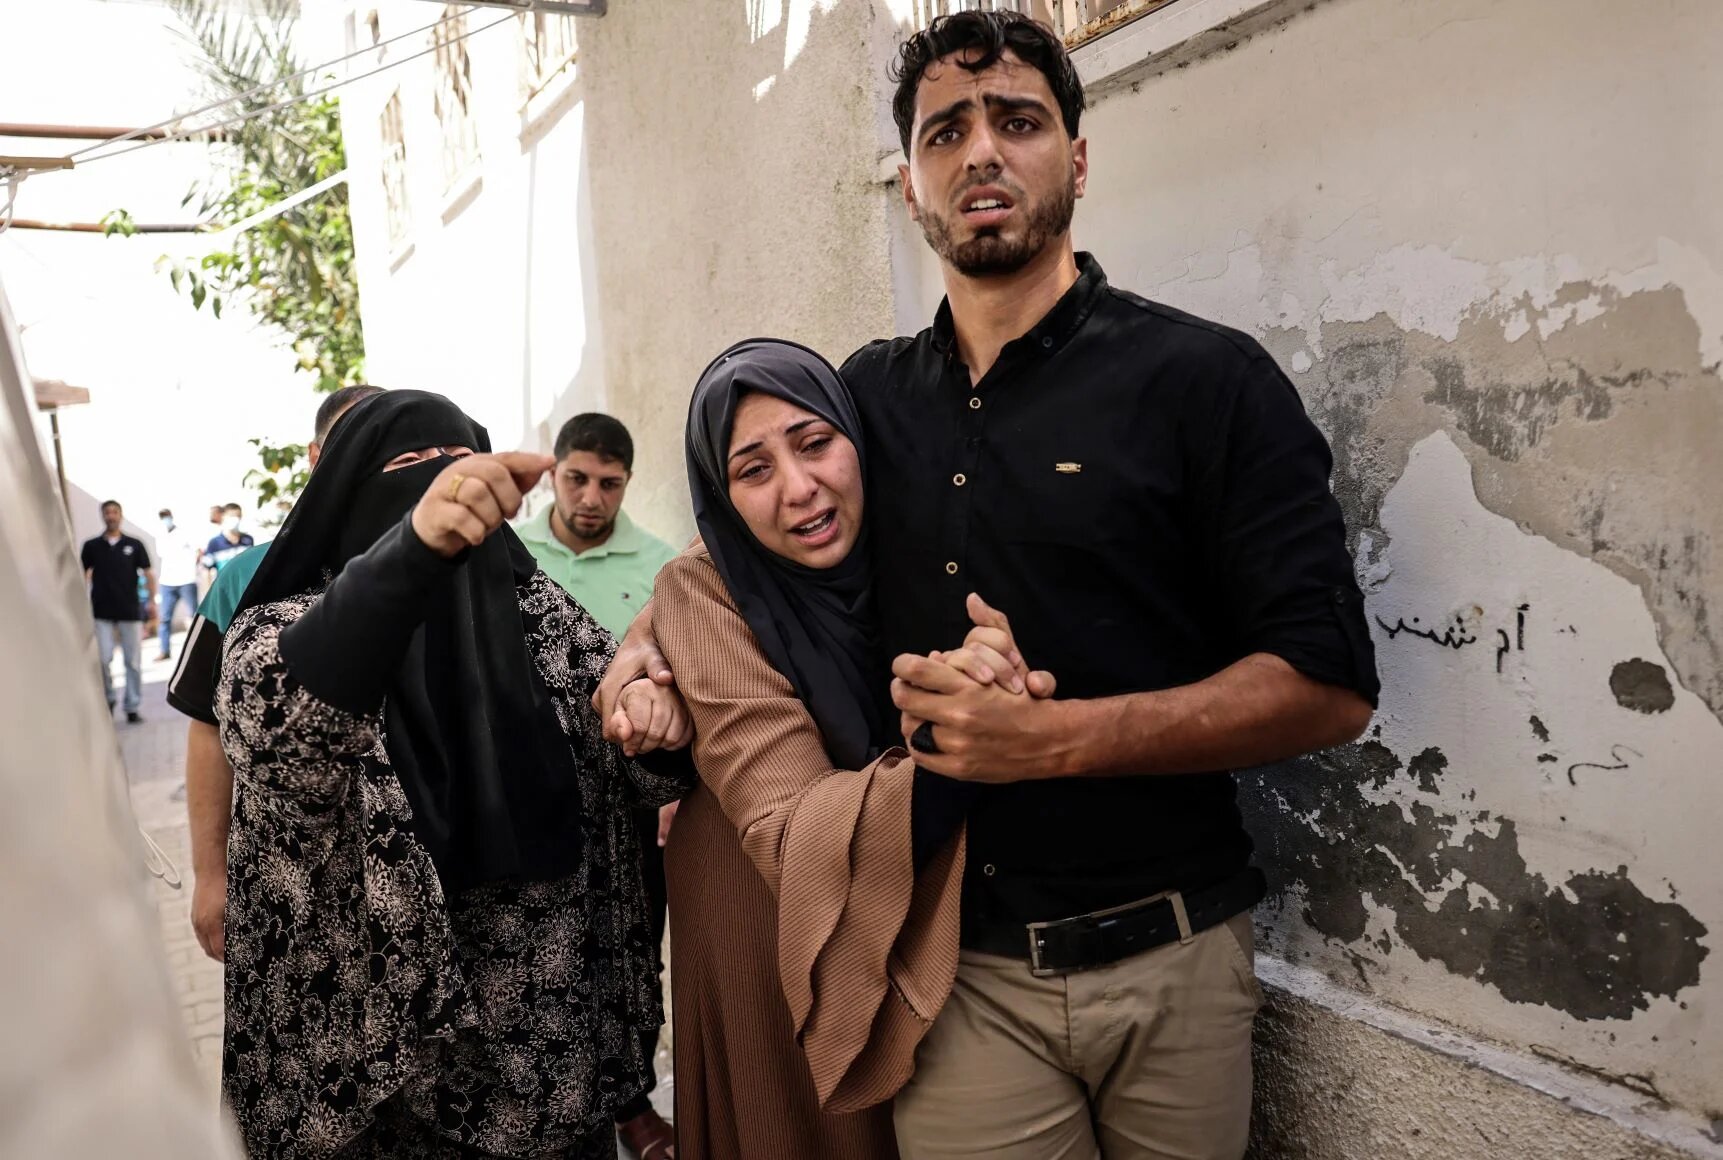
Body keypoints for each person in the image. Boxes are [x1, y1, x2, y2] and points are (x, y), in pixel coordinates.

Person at [599, 12, 1381, 1159]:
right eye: (943, 132)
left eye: (1017, 121)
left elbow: (1328, 686)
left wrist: (1049, 739)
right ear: (912, 184)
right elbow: (736, 553)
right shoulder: (866, 403)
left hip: (1174, 957)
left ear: (1074, 157)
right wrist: (641, 652)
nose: (979, 152)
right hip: (957, 978)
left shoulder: (1205, 382)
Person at [213, 389, 692, 1158]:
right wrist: (416, 546)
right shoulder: (280, 628)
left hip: (547, 1062)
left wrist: (657, 722)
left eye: (460, 465)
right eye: (407, 467)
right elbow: (289, 742)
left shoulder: (542, 617)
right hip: (373, 1077)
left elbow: (639, 763)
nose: (441, 485)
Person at [651, 340, 979, 1160]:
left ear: (856, 439)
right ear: (721, 499)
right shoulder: (703, 587)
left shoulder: (921, 553)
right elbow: (778, 805)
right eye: (752, 470)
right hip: (767, 903)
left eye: (814, 442)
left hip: (908, 879)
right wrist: (983, 742)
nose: (799, 490)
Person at [169, 385, 383, 963]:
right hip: (288, 883)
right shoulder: (245, 577)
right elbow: (206, 726)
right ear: (317, 458)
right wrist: (211, 875)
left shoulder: (449, 567)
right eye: (352, 444)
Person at [517, 412, 680, 1160]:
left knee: (635, 953)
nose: (591, 497)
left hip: (627, 806)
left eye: (608, 483)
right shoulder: (507, 555)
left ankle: (631, 1100)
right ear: (553, 473)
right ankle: (562, 1105)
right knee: (546, 955)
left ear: (627, 484)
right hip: (531, 801)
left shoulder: (659, 566)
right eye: (577, 478)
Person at [81, 500, 156, 723]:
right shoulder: (92, 546)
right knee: (103, 658)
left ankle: (132, 706)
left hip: (130, 609)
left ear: (120, 515)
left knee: (132, 661)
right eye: (107, 513)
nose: (111, 516)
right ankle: (109, 698)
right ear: (102, 516)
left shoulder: (134, 544)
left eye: (114, 512)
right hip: (101, 611)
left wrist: (152, 601)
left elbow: (148, 573)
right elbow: (82, 576)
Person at [153, 508, 202, 660]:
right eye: (162, 517)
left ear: (171, 517)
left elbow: (198, 551)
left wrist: (192, 568)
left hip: (186, 580)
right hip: (167, 581)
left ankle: (199, 648)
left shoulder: (183, 533)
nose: (165, 520)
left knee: (194, 616)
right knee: (164, 618)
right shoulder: (159, 536)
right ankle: (164, 650)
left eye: (166, 517)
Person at [203, 502, 253, 575]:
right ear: (223, 517)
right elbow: (207, 569)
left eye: (238, 516)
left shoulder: (248, 540)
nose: (235, 519)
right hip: (226, 585)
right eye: (231, 516)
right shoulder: (215, 543)